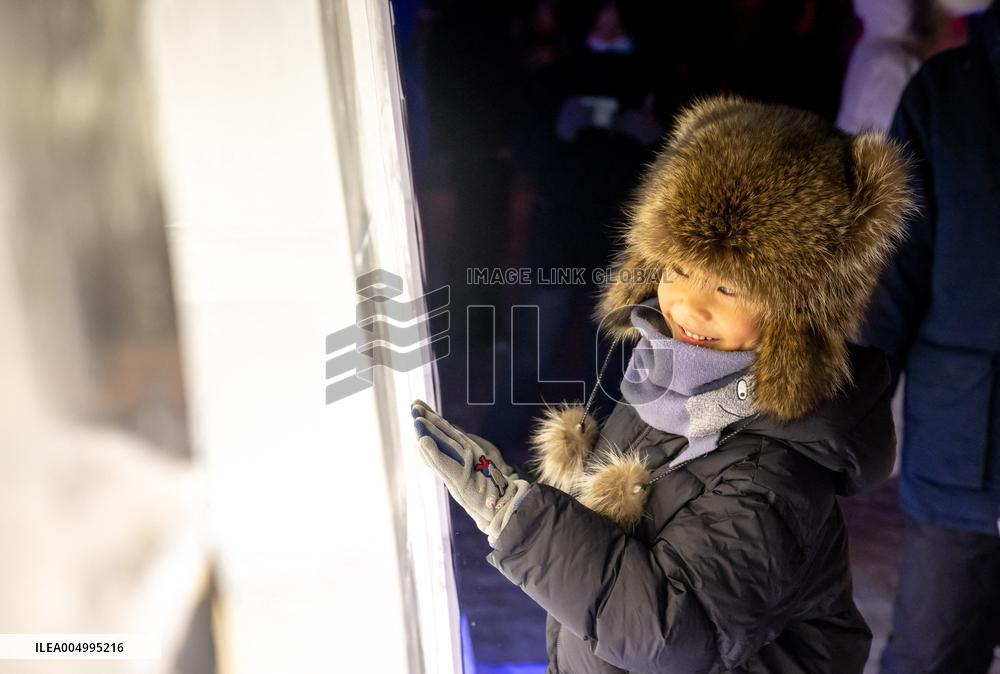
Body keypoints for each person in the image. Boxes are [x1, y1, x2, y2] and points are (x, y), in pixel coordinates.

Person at [413, 95, 914, 673]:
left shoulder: (775, 478)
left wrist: (519, 520)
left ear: (799, 313)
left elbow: (671, 632)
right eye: (679, 269)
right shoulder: (663, 379)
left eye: (728, 288)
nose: (689, 309)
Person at [859, 3, 1000, 672]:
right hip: (963, 457)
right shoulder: (949, 94)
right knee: (932, 656)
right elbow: (896, 273)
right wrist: (830, 421)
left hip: (959, 439)